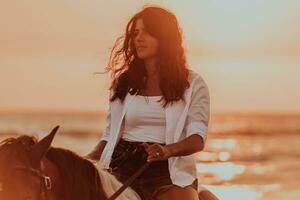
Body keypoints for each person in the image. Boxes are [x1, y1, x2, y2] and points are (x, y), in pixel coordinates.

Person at [86, 5, 210, 200]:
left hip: (168, 169)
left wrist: (167, 150)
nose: (138, 39)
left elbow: (197, 138)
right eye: (135, 33)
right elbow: (110, 135)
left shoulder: (193, 83)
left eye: (147, 32)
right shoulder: (123, 83)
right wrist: (84, 160)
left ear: (164, 36)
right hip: (122, 164)